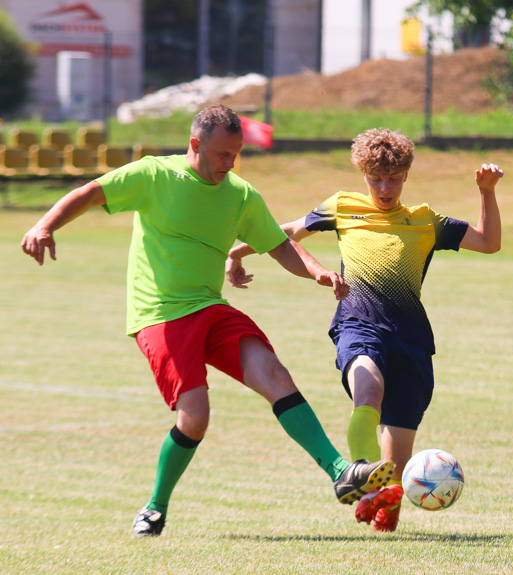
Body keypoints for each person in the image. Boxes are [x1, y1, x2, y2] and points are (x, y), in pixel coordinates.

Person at [20, 105, 394, 538]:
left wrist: (317, 271)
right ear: (195, 145)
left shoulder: (240, 194)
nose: (229, 163)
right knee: (195, 418)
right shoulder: (154, 175)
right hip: (160, 313)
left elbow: (278, 244)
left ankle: (339, 472)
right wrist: (46, 224)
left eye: (235, 154)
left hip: (210, 307)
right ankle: (155, 507)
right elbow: (90, 192)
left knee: (275, 375)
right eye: (221, 154)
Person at [226, 128, 502, 532]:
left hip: (411, 339)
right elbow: (285, 231)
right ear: (362, 173)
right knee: (367, 391)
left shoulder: (425, 220)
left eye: (392, 179)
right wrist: (239, 250)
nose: (384, 188)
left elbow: (489, 242)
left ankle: (383, 510)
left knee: (395, 465)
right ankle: (361, 481)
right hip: (357, 324)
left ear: (406, 175)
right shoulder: (342, 207)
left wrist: (486, 192)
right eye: (375, 179)